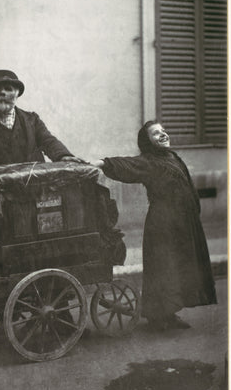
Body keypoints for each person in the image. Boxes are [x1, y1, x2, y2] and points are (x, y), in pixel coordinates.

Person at [91, 120, 217, 331]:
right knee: (163, 269)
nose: (163, 135)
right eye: (156, 133)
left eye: (163, 131)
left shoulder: (172, 157)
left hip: (182, 224)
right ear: (147, 142)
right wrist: (102, 163)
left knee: (177, 268)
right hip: (163, 224)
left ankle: (170, 313)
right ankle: (158, 318)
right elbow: (127, 164)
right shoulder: (149, 162)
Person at [0, 69, 83, 210]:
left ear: (17, 94)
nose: (2, 93)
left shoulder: (32, 121)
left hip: (32, 197)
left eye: (8, 89)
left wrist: (63, 156)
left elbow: (49, 141)